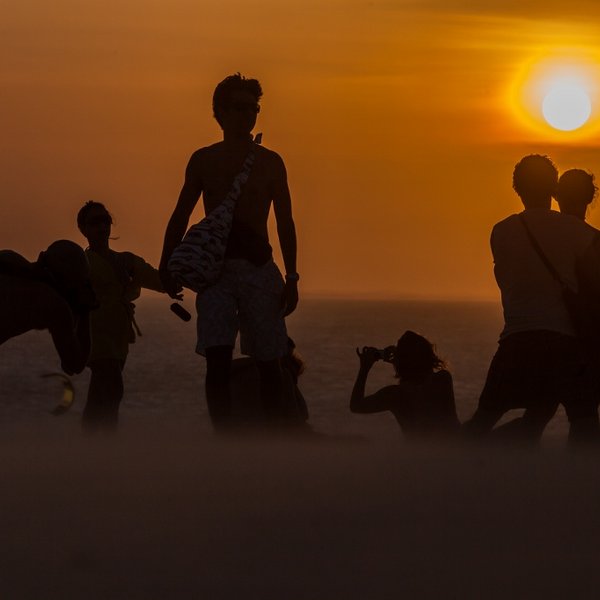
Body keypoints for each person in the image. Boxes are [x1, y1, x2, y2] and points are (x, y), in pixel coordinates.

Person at [159, 73, 299, 430]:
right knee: (217, 359)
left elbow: (285, 222)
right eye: (238, 108)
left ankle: (275, 436)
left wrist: (293, 276)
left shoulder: (270, 162)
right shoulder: (204, 160)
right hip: (215, 272)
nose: (247, 115)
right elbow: (180, 214)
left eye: (253, 108)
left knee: (271, 360)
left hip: (259, 267)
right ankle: (223, 439)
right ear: (219, 113)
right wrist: (166, 263)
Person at [463, 155, 600, 444]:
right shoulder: (578, 232)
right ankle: (577, 483)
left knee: (485, 418)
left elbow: (505, 281)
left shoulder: (500, 232)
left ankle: (443, 466)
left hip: (515, 340)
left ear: (517, 189)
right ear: (554, 189)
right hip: (563, 342)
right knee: (583, 420)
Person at [77, 201, 165, 431]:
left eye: (105, 221)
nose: (101, 227)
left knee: (105, 394)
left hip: (118, 340)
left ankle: (97, 446)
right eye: (94, 222)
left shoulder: (125, 261)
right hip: (95, 338)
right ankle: (98, 445)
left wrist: (186, 276)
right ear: (83, 229)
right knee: (111, 388)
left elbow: (158, 279)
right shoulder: (80, 263)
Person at [0, 240, 95, 375]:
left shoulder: (9, 258)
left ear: (41, 257)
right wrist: (85, 310)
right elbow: (74, 365)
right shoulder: (52, 303)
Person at [350, 331, 460, 438]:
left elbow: (356, 405)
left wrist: (364, 368)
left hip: (420, 454)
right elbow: (422, 385)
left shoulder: (394, 395)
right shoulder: (442, 379)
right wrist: (400, 360)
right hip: (455, 449)